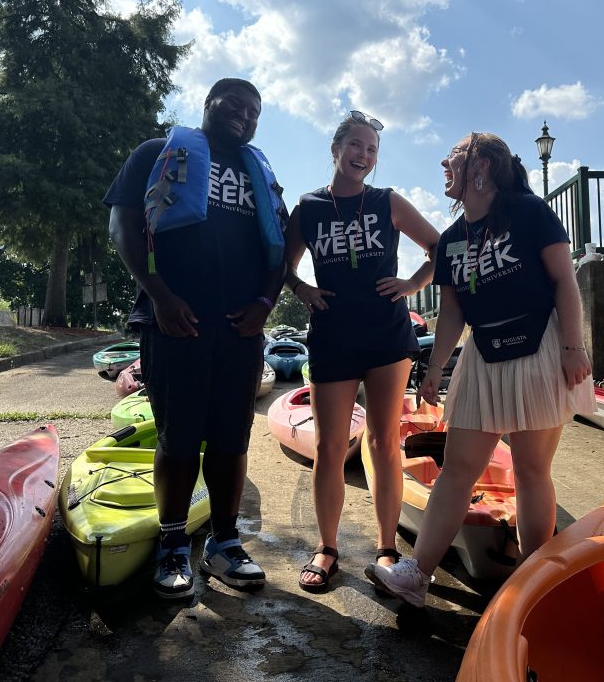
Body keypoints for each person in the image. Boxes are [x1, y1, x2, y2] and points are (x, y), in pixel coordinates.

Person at [366, 132, 595, 607]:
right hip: (483, 354)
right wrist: (433, 369)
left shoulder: (530, 214)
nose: (443, 163)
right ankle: (417, 575)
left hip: (538, 347)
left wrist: (574, 347)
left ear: (482, 166)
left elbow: (564, 284)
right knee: (457, 470)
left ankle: (535, 585)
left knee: (532, 471)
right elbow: (452, 314)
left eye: (453, 155)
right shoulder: (451, 241)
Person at [104, 78, 287, 599]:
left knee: (232, 438)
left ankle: (225, 543)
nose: (245, 116)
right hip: (175, 321)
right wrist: (159, 295)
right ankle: (172, 544)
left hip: (241, 329)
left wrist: (266, 305)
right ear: (209, 103)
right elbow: (123, 227)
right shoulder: (156, 154)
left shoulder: (262, 174)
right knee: (178, 437)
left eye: (255, 111)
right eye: (236, 104)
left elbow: (280, 247)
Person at [284, 110, 440, 593]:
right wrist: (303, 289)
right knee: (330, 447)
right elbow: (283, 268)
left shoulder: (387, 201)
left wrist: (413, 283)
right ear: (336, 150)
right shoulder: (308, 208)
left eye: (372, 149)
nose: (364, 156)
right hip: (332, 335)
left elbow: (440, 248)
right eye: (356, 145)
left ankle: (387, 547)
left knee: (382, 442)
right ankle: (327, 548)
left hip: (387, 338)